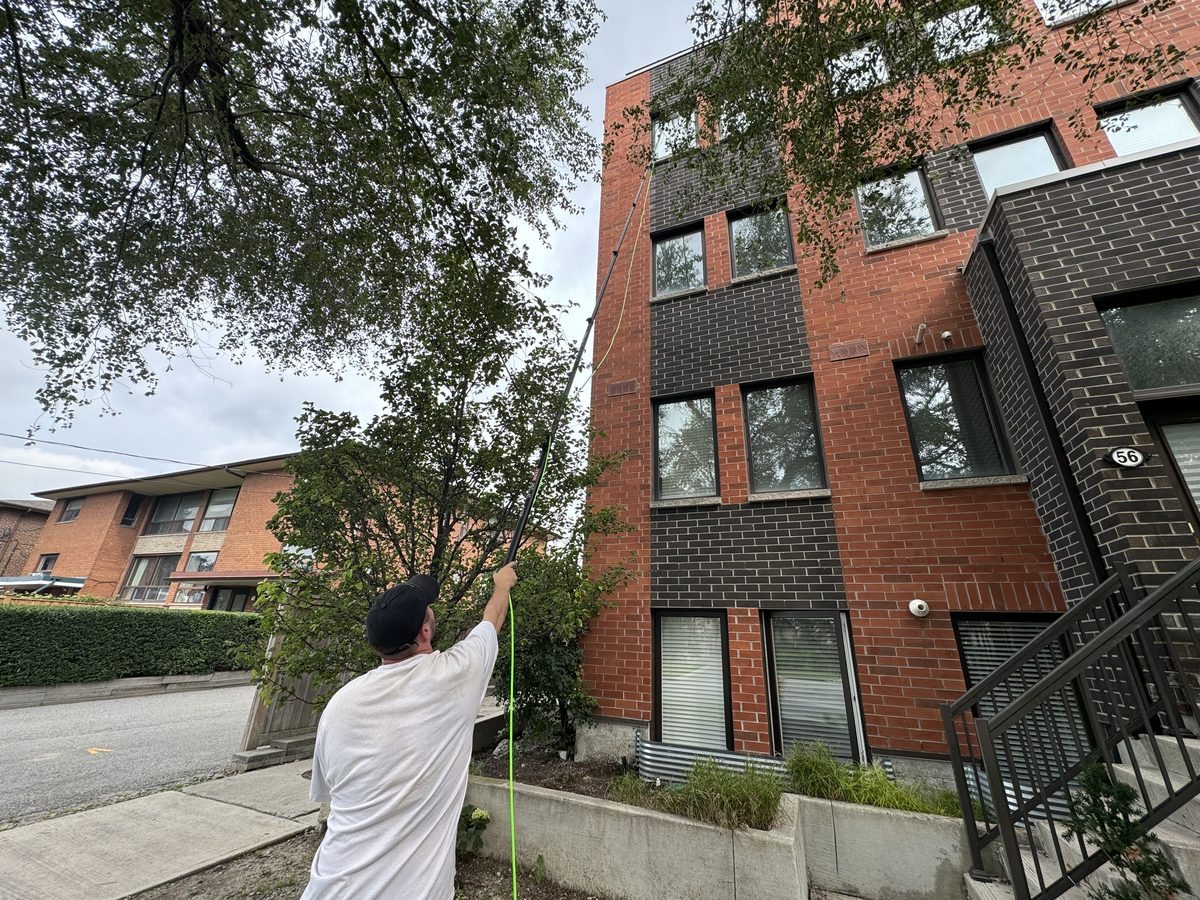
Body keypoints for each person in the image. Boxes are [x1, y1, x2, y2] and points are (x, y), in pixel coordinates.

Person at [301, 561, 518, 900]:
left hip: (328, 889)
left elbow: (329, 791)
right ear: (425, 632)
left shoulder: (340, 705)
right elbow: (493, 620)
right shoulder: (452, 677)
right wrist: (502, 585)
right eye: (429, 611)